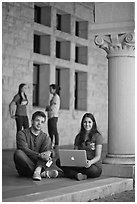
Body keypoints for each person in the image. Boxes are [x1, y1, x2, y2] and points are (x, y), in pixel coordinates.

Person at [14, 111, 61, 181]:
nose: (39, 124)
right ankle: (42, 173)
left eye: (42, 122)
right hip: (26, 165)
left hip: (39, 164)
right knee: (18, 153)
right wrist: (39, 155)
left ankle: (38, 171)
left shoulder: (45, 137)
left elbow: (46, 154)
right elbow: (24, 149)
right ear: (32, 121)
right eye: (37, 121)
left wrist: (49, 153)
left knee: (49, 152)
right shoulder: (22, 133)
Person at [56, 113, 103, 181]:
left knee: (93, 171)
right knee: (59, 161)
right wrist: (72, 161)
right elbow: (75, 154)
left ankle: (69, 174)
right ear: (82, 123)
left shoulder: (97, 136)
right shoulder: (78, 137)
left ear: (93, 123)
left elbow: (98, 157)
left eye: (89, 122)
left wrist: (90, 162)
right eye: (85, 122)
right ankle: (76, 175)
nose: (87, 124)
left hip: (93, 166)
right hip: (80, 164)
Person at [45, 84, 60, 155]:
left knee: (54, 131)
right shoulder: (53, 97)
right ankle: (50, 145)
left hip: (53, 116)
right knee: (50, 131)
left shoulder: (56, 97)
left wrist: (48, 107)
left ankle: (56, 145)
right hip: (50, 116)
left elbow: (52, 107)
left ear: (54, 89)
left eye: (51, 89)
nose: (50, 90)